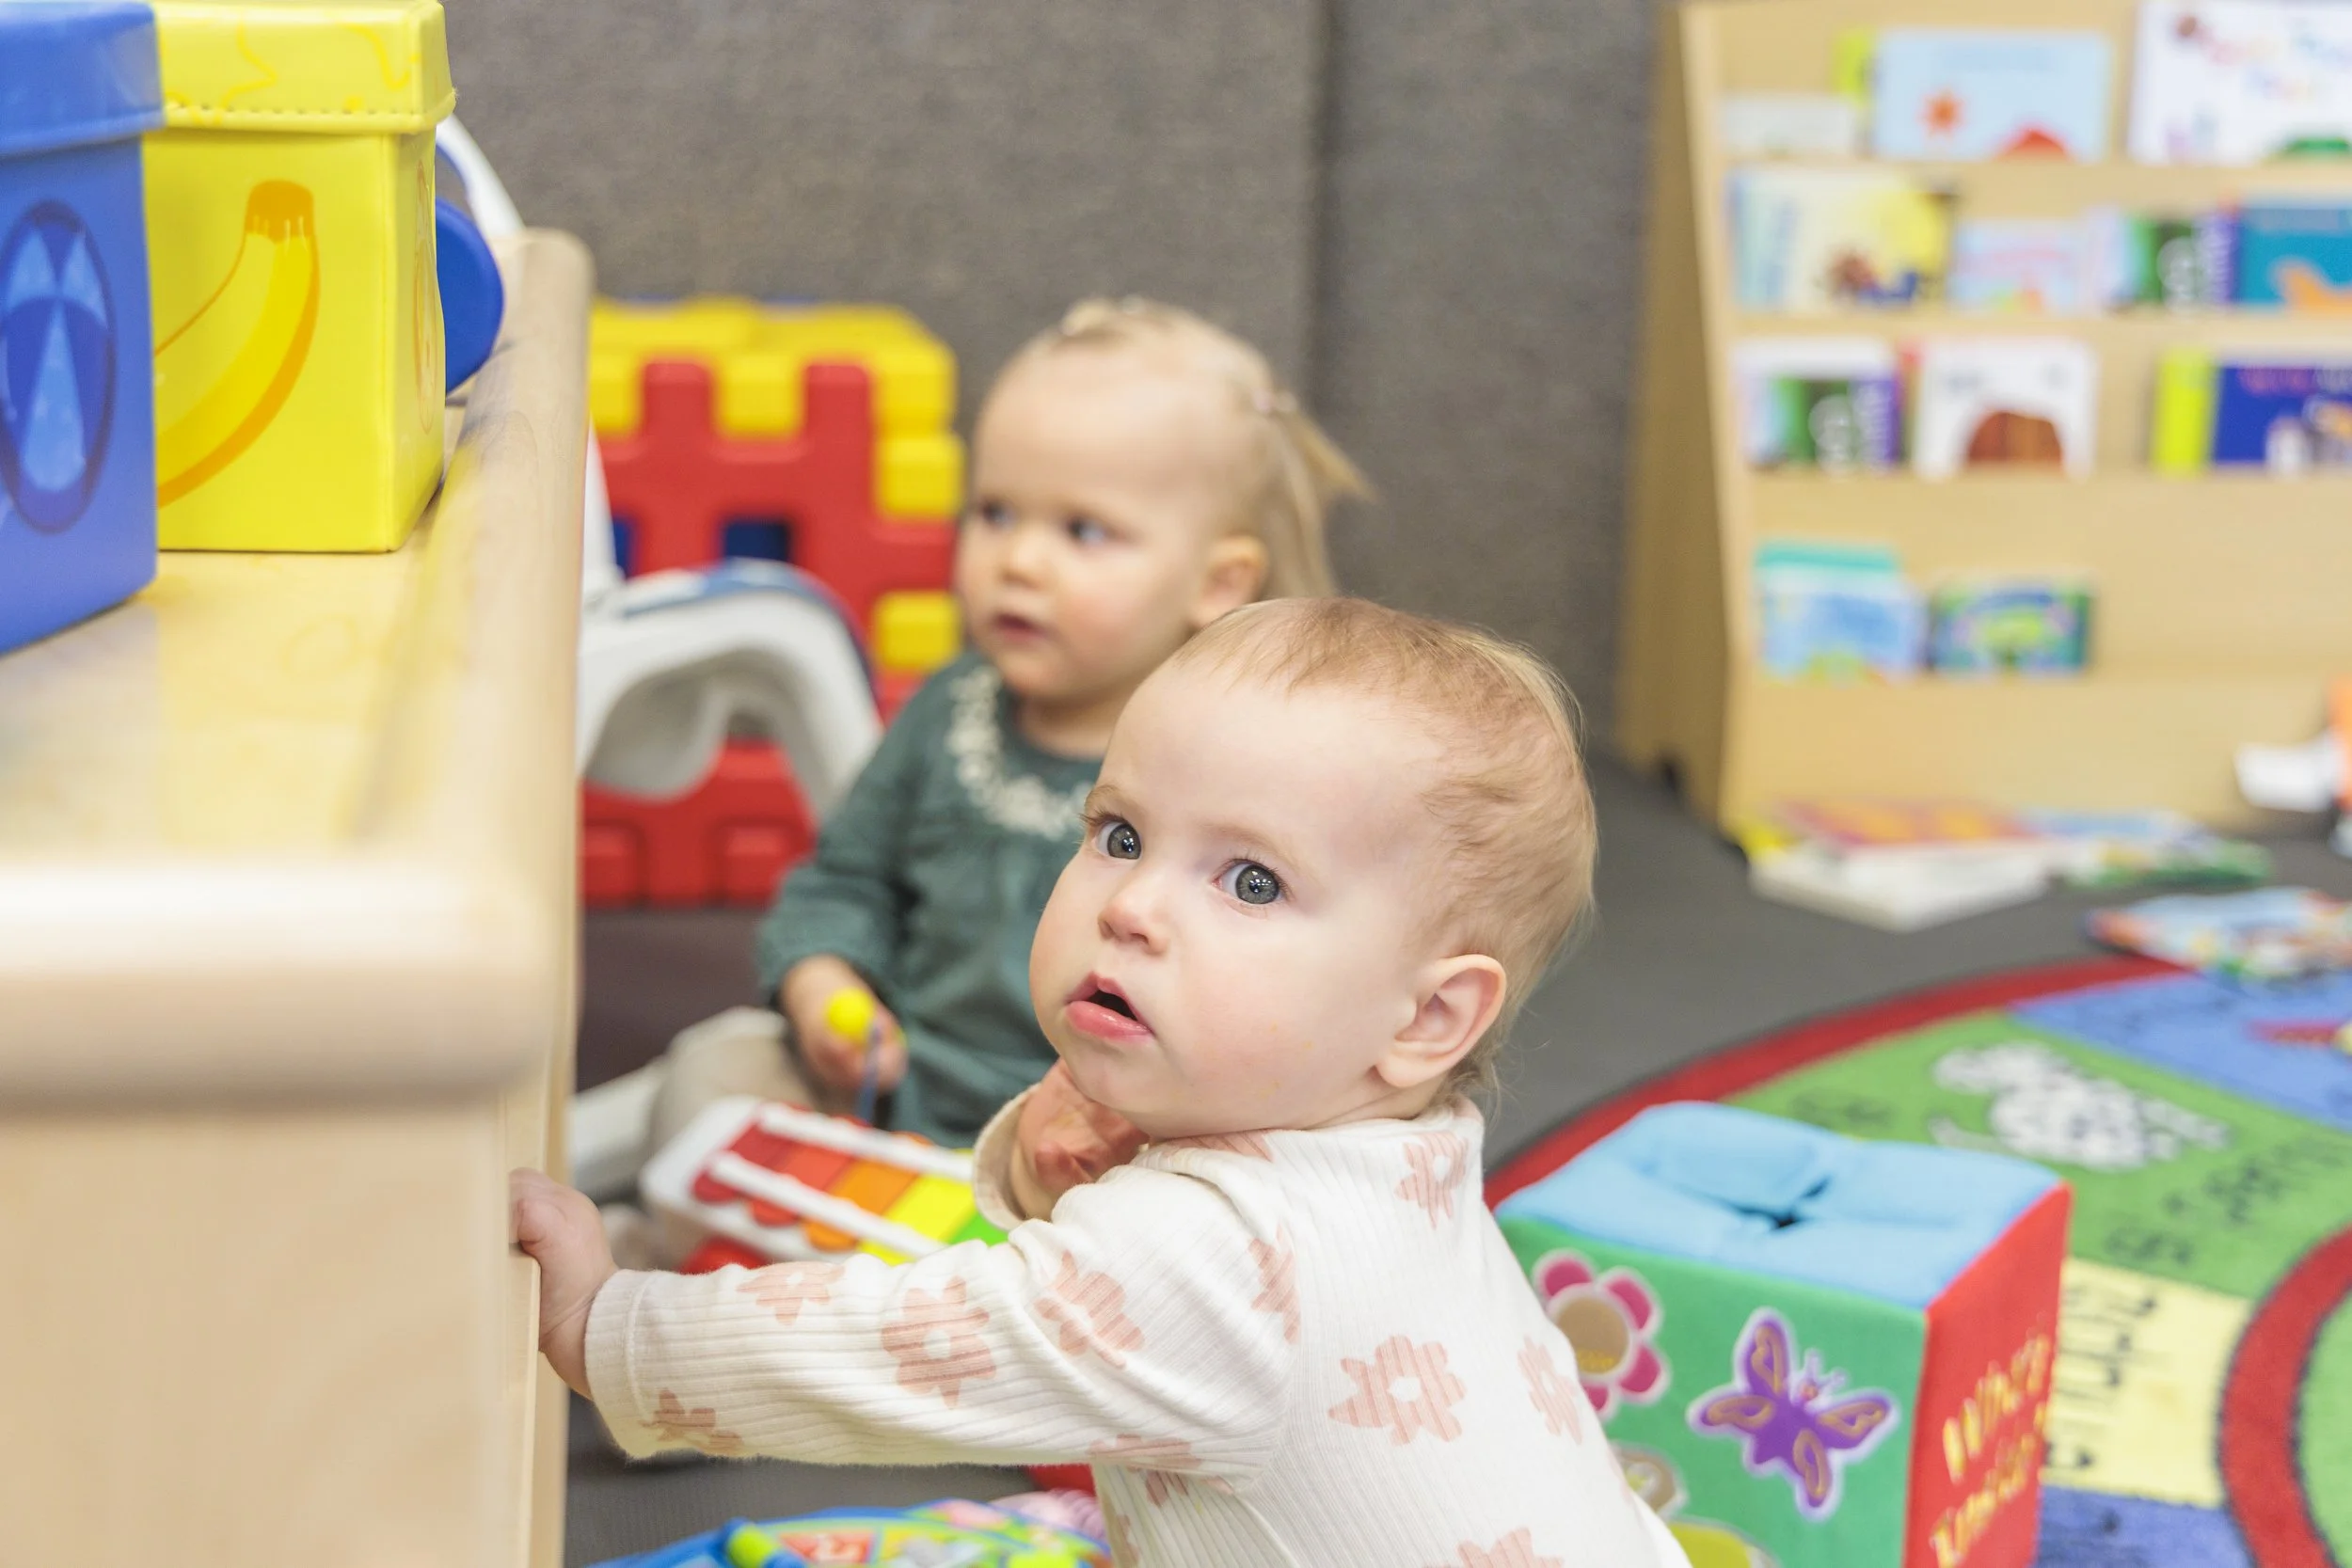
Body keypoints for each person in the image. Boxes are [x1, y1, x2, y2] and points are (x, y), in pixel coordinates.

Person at [518, 597, 1691, 1567]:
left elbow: (915, 1345)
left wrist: (614, 1325)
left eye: (1249, 882)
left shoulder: (1223, 1258)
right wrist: (1045, 1159)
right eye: (1121, 834)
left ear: (1428, 1014)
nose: (1129, 904)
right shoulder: (1405, 1150)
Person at [643, 297, 1367, 1159]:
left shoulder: (1233, 768)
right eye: (994, 513)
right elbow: (847, 880)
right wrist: (822, 983)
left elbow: (1266, 985)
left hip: (1106, 1128)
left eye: (1083, 530)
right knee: (708, 1074)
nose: (1018, 561)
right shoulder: (953, 708)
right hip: (893, 1088)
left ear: (1218, 581)